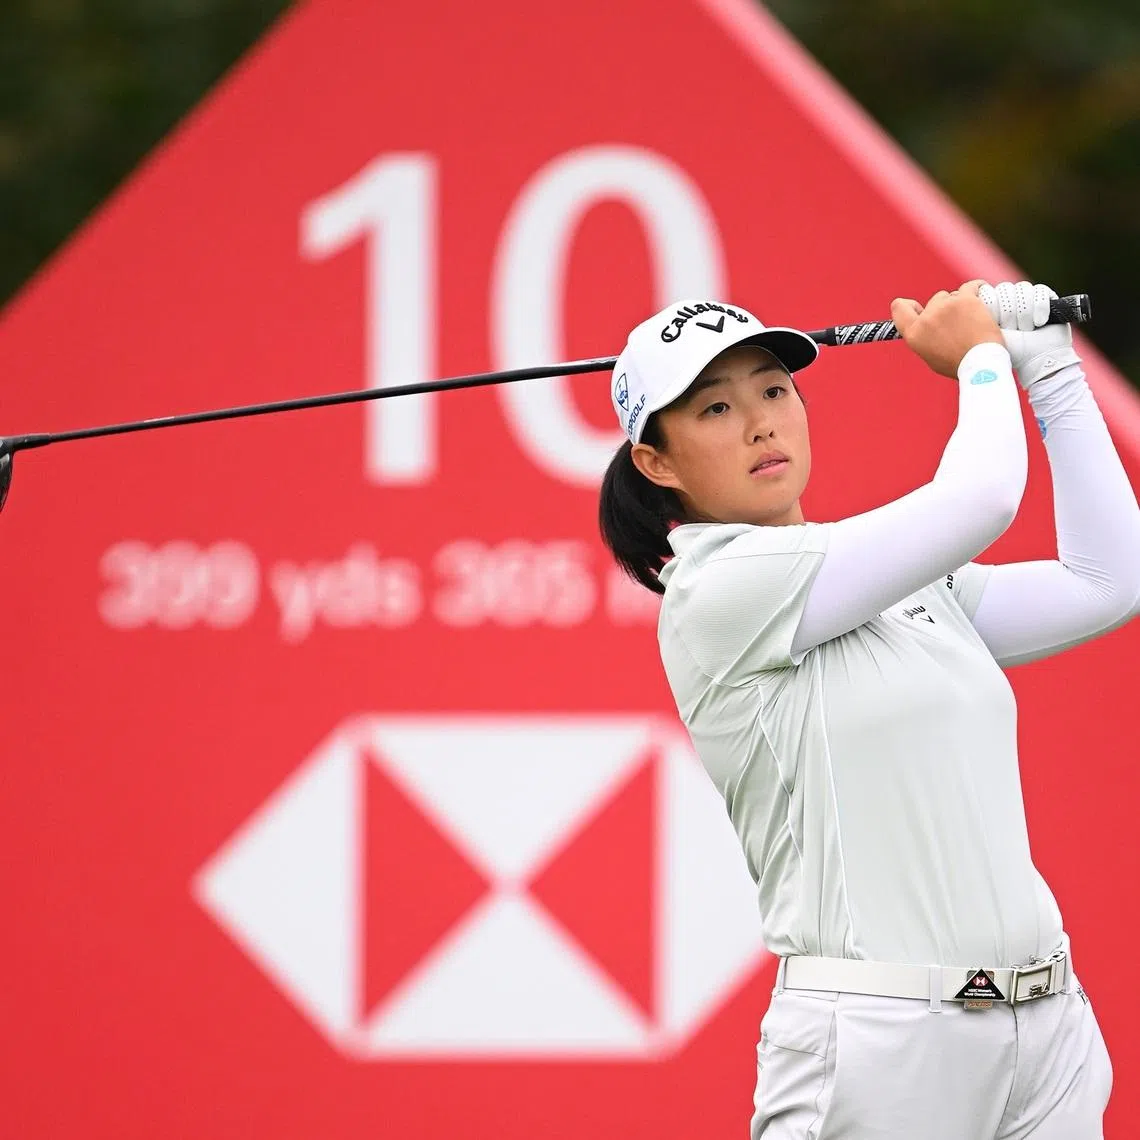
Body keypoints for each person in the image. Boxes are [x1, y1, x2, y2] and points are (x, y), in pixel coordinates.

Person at [599, 281, 1140, 1140]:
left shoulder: (905, 584)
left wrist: (1050, 371)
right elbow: (982, 501)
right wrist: (981, 359)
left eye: (775, 390)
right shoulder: (715, 589)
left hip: (1048, 1031)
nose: (761, 424)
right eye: (716, 408)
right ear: (657, 463)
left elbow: (1107, 582)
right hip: (881, 1045)